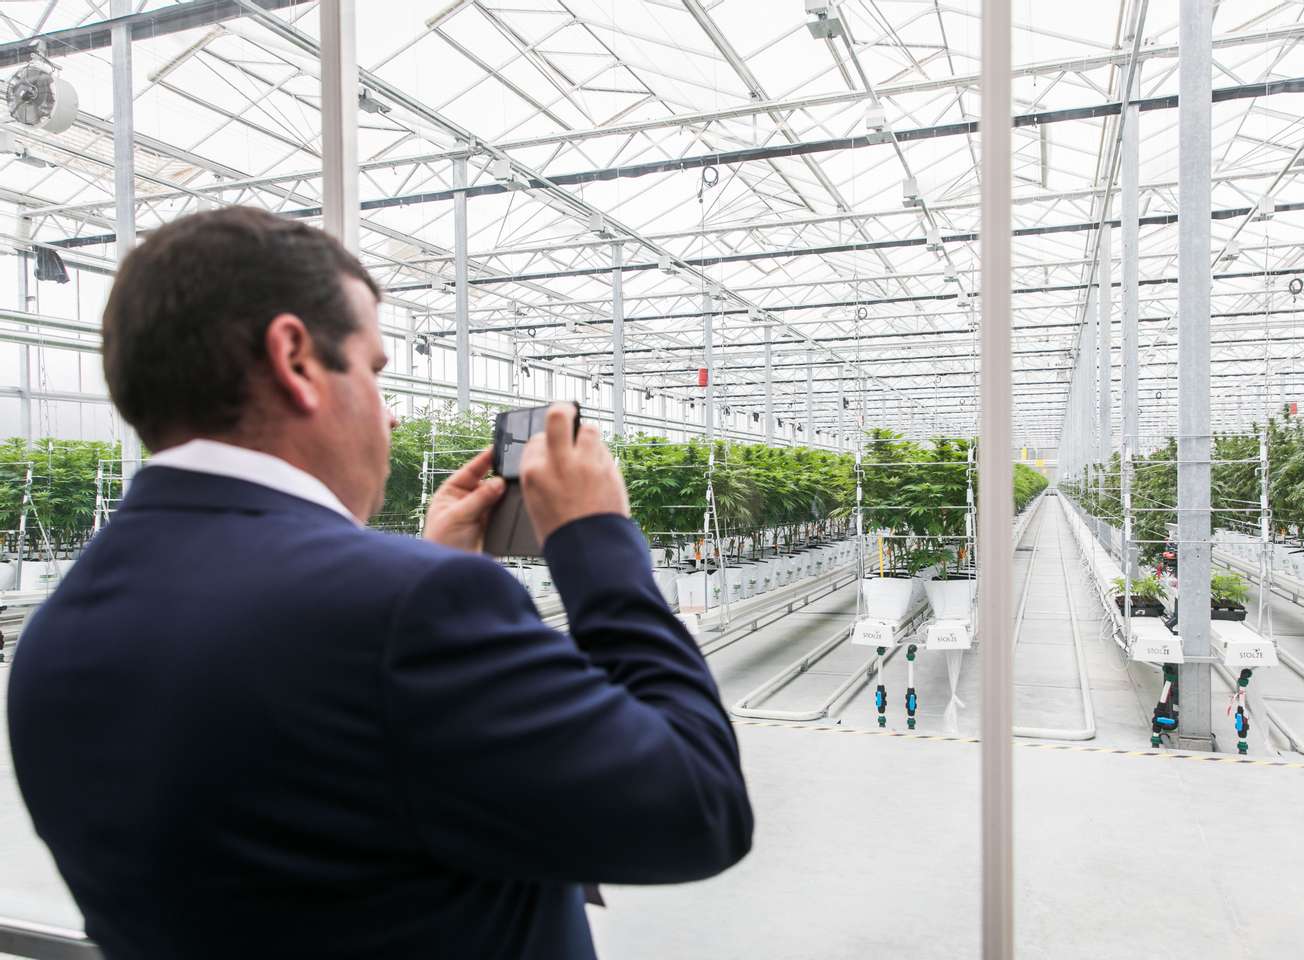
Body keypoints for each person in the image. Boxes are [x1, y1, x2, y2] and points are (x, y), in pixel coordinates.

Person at [5, 207, 753, 959]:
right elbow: (697, 804)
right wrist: (598, 545)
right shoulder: (409, 613)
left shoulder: (56, 639)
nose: (390, 417)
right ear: (295, 358)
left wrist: (429, 567)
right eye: (372, 370)